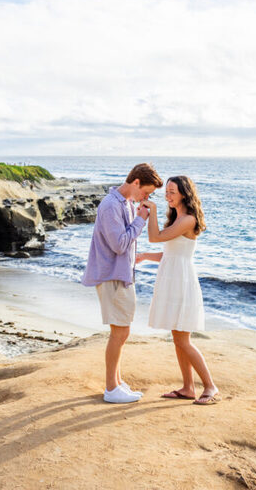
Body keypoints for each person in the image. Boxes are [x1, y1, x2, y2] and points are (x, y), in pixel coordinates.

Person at [82, 163, 163, 403]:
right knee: (120, 331)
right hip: (112, 276)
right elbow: (119, 244)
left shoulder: (124, 204)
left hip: (121, 275)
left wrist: (137, 218)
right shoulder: (110, 206)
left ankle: (116, 383)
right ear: (136, 182)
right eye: (146, 192)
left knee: (122, 330)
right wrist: (141, 220)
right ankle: (111, 388)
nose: (146, 198)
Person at [138, 176, 220, 405]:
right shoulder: (178, 220)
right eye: (166, 192)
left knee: (183, 339)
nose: (168, 196)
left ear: (184, 193)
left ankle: (210, 386)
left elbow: (154, 238)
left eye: (172, 192)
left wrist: (151, 210)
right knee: (177, 338)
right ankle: (187, 387)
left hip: (181, 281)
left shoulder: (188, 220)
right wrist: (144, 256)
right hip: (173, 277)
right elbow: (170, 254)